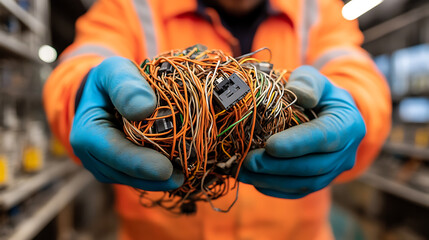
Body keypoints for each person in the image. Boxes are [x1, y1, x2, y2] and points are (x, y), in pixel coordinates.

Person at [43, 0, 391, 239]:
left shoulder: (317, 9)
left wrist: (352, 106)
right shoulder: (133, 5)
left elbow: (356, 71)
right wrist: (83, 90)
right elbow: (83, 58)